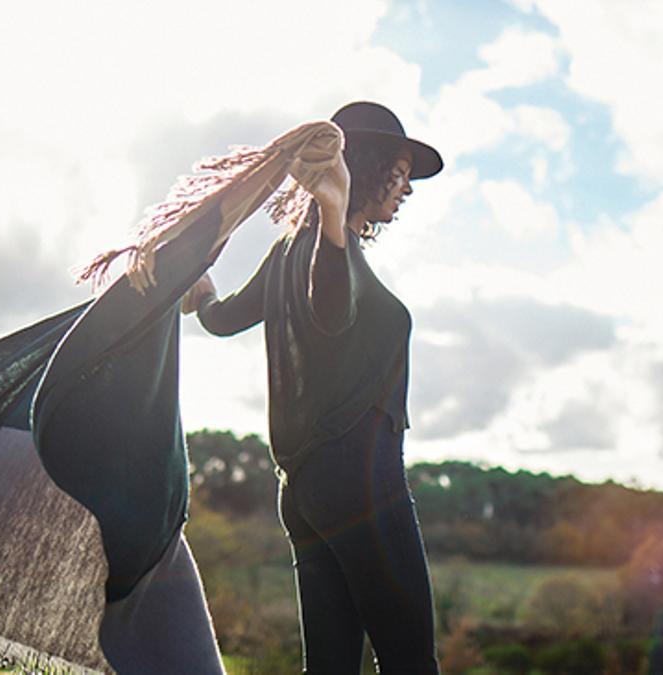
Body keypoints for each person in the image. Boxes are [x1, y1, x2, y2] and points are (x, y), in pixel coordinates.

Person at [182, 101, 443, 674]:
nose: (406, 189)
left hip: (304, 493)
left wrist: (200, 291)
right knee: (409, 663)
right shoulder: (329, 252)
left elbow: (222, 319)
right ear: (364, 168)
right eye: (398, 173)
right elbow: (330, 308)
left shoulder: (287, 255)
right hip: (361, 485)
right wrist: (331, 210)